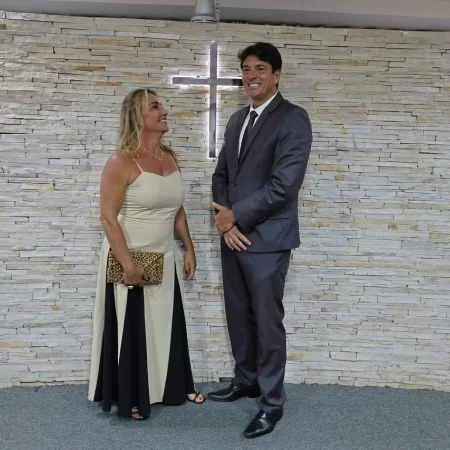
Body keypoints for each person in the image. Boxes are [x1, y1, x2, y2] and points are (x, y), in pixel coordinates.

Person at [209, 42, 312, 438]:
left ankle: (272, 403)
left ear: (276, 75)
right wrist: (225, 223)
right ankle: (246, 380)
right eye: (246, 69)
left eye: (260, 69)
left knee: (268, 324)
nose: (251, 75)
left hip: (267, 239)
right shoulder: (237, 119)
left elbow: (284, 185)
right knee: (239, 315)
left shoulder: (293, 118)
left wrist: (235, 215)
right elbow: (222, 175)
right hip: (232, 237)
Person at [88, 88, 205, 421]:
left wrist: (189, 247)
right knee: (135, 329)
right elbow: (108, 218)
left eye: (161, 105)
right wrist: (127, 265)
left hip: (164, 255)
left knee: (166, 324)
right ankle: (134, 396)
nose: (163, 111)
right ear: (138, 116)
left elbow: (176, 208)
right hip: (130, 257)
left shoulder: (170, 157)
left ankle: (176, 385)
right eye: (155, 107)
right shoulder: (121, 161)